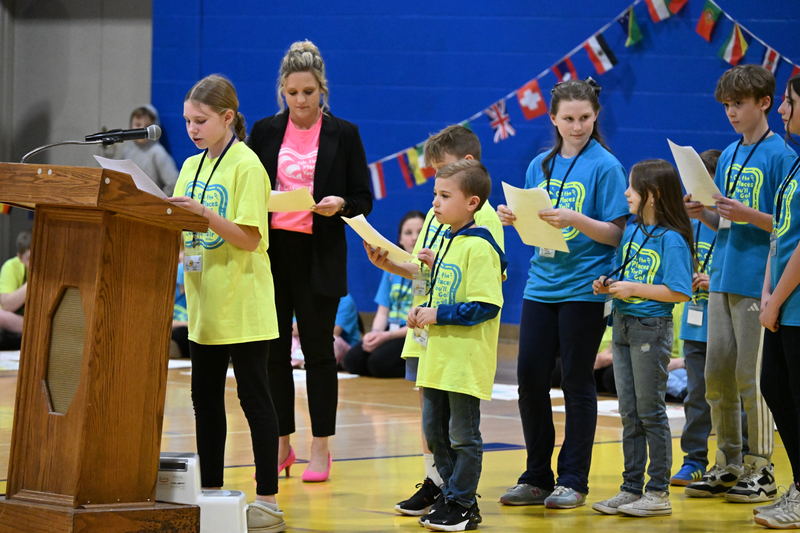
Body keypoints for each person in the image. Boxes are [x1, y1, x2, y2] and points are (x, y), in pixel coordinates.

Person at [496, 78, 628, 509]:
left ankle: (573, 479)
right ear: (552, 118)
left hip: (584, 289)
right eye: (568, 119)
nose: (576, 126)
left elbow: (614, 234)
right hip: (541, 285)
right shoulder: (540, 165)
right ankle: (536, 476)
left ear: (596, 117)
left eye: (585, 118)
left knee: (576, 381)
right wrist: (515, 219)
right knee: (530, 380)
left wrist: (574, 217)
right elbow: (537, 228)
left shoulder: (606, 166)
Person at [363, 125, 504, 517]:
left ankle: (458, 495)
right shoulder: (436, 213)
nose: (436, 188)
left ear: (468, 166)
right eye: (434, 181)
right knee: (433, 420)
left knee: (459, 427)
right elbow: (428, 268)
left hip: (455, 336)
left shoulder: (484, 223)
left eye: (443, 173)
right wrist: (392, 264)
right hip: (428, 333)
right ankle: (440, 484)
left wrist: (438, 312)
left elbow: (482, 289)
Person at [248, 40, 372, 483]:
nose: (301, 101)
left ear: (323, 89)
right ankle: (281, 442)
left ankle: (322, 448)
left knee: (319, 354)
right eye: (293, 92)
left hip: (319, 255)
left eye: (309, 92)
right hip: (273, 253)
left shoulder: (345, 133)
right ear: (282, 90)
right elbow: (249, 188)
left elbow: (364, 198)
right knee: (272, 355)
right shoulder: (263, 132)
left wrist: (340, 203)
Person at [167, 74, 285, 533]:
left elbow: (250, 237)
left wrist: (207, 216)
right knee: (204, 400)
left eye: (200, 121)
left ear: (227, 118)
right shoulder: (191, 167)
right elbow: (182, 231)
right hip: (204, 304)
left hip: (244, 303)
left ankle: (268, 501)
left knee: (255, 399)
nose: (192, 129)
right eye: (187, 122)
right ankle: (211, 494)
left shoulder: (247, 166)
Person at [684, 64, 796, 502]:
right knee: (717, 375)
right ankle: (727, 462)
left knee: (752, 379)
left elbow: (786, 225)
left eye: (739, 104)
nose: (731, 112)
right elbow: (726, 223)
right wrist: (705, 214)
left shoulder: (782, 156)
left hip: (757, 282)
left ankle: (762, 467)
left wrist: (746, 213)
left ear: (764, 103)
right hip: (723, 279)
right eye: (727, 105)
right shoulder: (729, 154)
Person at [591, 159, 693, 517]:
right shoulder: (634, 231)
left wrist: (634, 288)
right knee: (630, 412)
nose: (626, 194)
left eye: (632, 189)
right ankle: (631, 487)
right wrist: (608, 283)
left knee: (651, 412)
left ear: (652, 195)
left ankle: (658, 491)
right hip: (622, 324)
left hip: (651, 329)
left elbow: (679, 291)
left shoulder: (673, 240)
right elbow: (624, 269)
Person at [409, 159, 505, 531]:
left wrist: (437, 314)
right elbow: (448, 289)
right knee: (435, 432)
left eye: (445, 195)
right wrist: (426, 294)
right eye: (435, 193)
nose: (435, 202)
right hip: (438, 357)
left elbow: (484, 305)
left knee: (463, 436)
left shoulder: (480, 246)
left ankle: (464, 502)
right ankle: (451, 495)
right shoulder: (448, 241)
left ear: (472, 203)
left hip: (463, 361)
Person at [756, 74, 800, 528]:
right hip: (783, 301)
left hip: (795, 302)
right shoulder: (796, 164)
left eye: (789, 102)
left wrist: (776, 298)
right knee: (775, 386)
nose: (783, 110)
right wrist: (767, 293)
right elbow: (781, 233)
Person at [670, 149, 721, 486]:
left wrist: (712, 280)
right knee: (696, 396)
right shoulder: (689, 224)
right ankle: (694, 460)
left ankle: (735, 459)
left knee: (729, 396)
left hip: (724, 318)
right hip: (695, 320)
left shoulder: (731, 223)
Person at [344, 211, 424, 378]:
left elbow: (418, 322)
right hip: (389, 330)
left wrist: (384, 337)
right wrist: (374, 334)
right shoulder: (391, 271)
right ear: (400, 239)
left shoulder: (422, 272)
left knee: (377, 364)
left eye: (420, 232)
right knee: (352, 360)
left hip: (410, 333)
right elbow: (383, 311)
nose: (414, 238)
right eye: (408, 233)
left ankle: (418, 367)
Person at [118, 105, 179, 195]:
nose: (142, 129)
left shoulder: (157, 152)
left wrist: (159, 201)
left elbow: (173, 183)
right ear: (130, 126)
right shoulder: (127, 149)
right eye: (138, 125)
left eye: (147, 126)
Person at [0, 231, 30, 350]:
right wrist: (34, 280)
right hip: (18, 322)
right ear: (20, 257)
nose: (35, 263)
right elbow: (7, 305)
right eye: (30, 258)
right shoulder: (11, 266)